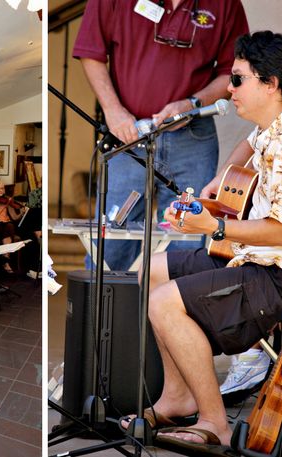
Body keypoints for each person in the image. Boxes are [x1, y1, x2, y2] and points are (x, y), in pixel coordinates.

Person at [120, 31, 282, 447]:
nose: (229, 89)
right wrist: (217, 183)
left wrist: (216, 228)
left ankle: (215, 424)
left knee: (164, 301)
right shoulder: (273, 125)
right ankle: (177, 397)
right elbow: (246, 147)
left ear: (271, 84)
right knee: (151, 271)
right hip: (256, 256)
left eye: (238, 79)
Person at [73, 0, 249, 271]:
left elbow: (232, 71)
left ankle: (165, 313)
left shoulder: (226, 4)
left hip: (193, 136)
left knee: (187, 243)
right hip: (129, 135)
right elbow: (91, 52)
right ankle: (106, 313)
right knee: (111, 244)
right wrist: (112, 110)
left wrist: (193, 103)